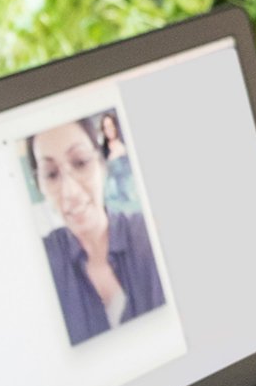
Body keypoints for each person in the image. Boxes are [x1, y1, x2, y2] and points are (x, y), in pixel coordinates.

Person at [29, 116, 166, 346]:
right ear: (41, 186)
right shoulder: (41, 261)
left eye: (81, 162)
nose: (70, 191)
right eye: (51, 174)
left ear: (101, 165)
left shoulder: (149, 235)